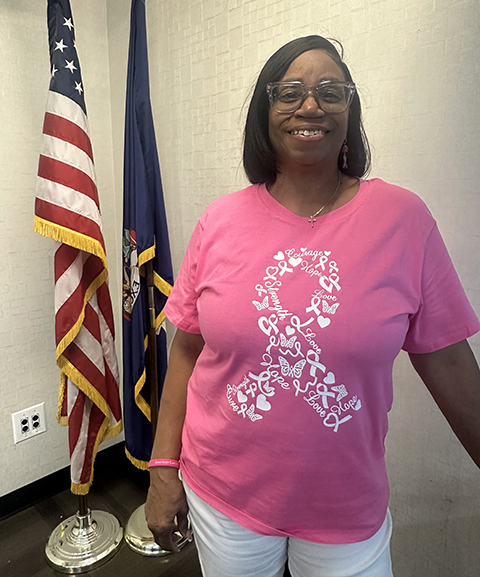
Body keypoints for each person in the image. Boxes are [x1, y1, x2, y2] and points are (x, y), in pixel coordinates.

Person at [145, 35, 480, 577]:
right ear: (264, 112)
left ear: (350, 110)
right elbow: (186, 351)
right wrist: (163, 467)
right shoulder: (219, 222)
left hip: (346, 507)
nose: (310, 106)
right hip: (223, 495)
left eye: (330, 91)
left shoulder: (404, 220)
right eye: (289, 92)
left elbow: (451, 365)